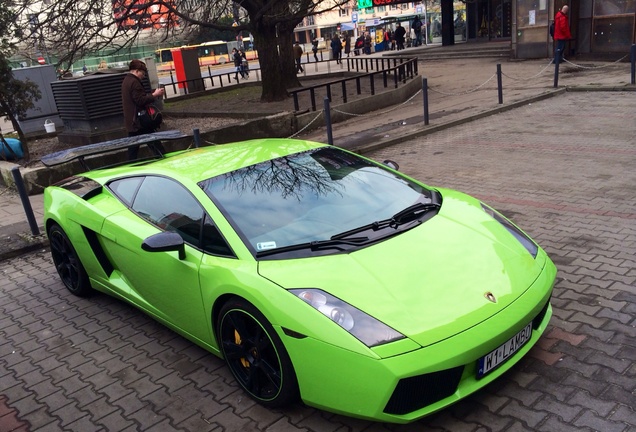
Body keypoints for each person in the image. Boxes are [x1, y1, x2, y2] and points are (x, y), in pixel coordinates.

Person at [121, 59, 165, 160]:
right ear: (136, 71)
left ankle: (131, 166)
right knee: (154, 144)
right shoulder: (134, 82)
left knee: (133, 149)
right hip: (139, 120)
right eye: (142, 73)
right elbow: (140, 100)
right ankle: (162, 159)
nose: (143, 76)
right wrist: (154, 94)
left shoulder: (126, 81)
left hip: (132, 120)